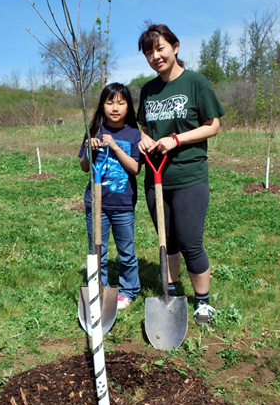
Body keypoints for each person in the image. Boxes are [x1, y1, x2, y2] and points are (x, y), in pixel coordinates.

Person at [137, 22, 225, 324]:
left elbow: (213, 125)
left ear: (175, 47)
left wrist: (176, 139)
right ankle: (172, 291)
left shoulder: (196, 83)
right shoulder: (148, 90)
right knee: (167, 241)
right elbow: (144, 126)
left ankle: (202, 302)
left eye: (159, 48)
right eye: (149, 52)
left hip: (189, 176)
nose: (155, 56)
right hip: (156, 178)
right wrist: (144, 138)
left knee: (190, 241)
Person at [79, 83, 141, 310]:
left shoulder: (134, 134)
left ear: (128, 107)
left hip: (123, 204)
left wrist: (114, 147)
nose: (115, 108)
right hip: (96, 204)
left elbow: (135, 168)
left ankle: (129, 290)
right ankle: (99, 288)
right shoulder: (93, 131)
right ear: (102, 105)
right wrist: (89, 149)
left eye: (121, 103)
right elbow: (84, 167)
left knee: (126, 251)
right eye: (110, 102)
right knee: (97, 251)